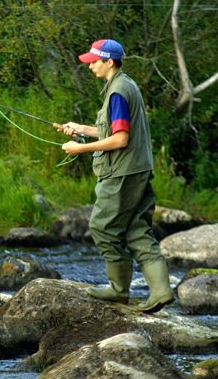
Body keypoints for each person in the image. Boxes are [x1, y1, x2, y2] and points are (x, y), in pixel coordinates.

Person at [57, 38, 174, 313]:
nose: (90, 67)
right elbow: (114, 131)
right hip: (137, 169)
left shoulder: (117, 92)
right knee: (136, 230)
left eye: (94, 61)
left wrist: (80, 149)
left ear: (109, 61)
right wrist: (82, 129)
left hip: (121, 173)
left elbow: (120, 139)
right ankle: (161, 292)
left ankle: (118, 290)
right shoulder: (125, 85)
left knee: (102, 227)